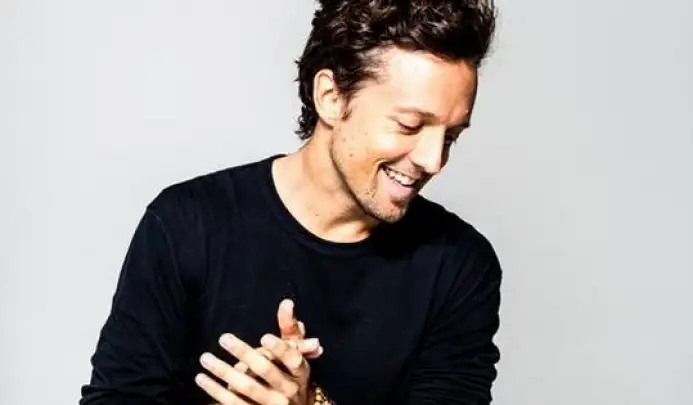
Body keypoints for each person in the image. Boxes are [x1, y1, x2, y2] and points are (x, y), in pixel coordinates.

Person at [79, 0, 503, 404]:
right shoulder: (187, 224)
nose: (434, 160)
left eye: (451, 135)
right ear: (331, 98)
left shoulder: (460, 266)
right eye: (410, 126)